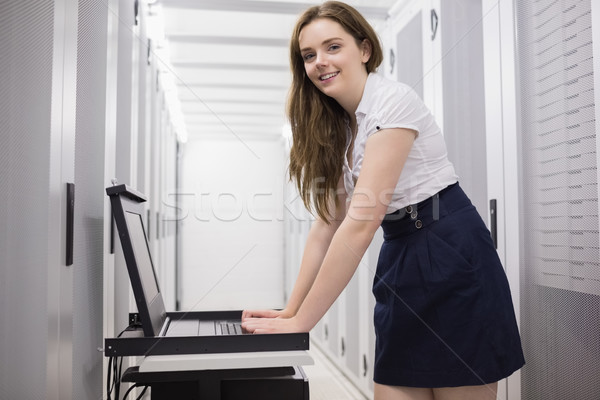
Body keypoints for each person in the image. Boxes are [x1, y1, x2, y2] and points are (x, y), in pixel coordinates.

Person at [241, 2, 525, 399]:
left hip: (452, 254)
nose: (320, 61)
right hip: (401, 258)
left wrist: (304, 321)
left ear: (364, 50)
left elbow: (359, 225)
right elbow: (328, 226)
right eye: (309, 55)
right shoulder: (340, 126)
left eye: (332, 47)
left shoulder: (393, 101)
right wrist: (291, 312)